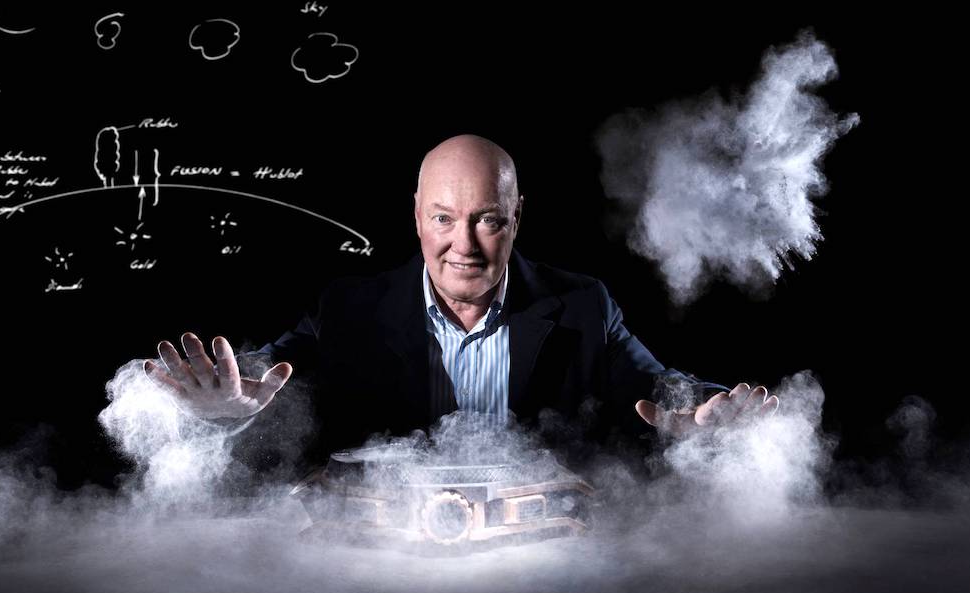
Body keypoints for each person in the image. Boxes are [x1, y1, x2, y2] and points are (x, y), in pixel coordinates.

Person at [143, 135, 779, 456]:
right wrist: (228, 407)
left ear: (517, 217)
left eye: (488, 220)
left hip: (542, 564)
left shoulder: (584, 306)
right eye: (443, 219)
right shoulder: (347, 308)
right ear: (417, 217)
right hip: (382, 572)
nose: (464, 245)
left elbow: (660, 385)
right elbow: (263, 374)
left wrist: (703, 409)